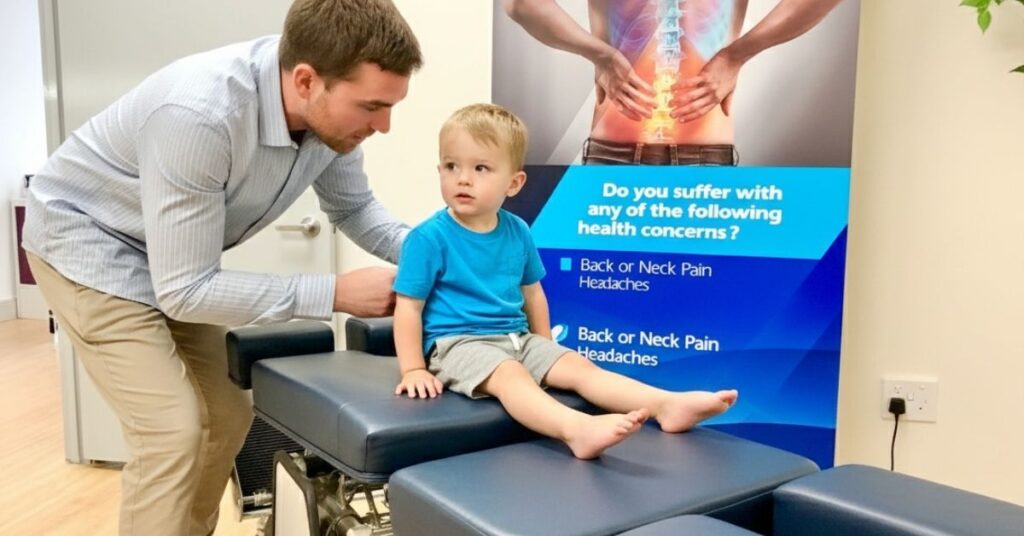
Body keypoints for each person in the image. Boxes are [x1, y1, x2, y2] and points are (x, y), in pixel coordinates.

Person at [22, 0, 421, 533]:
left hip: (166, 261)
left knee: (228, 414)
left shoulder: (334, 127)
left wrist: (440, 253)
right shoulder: (201, 114)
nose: (384, 126)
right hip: (85, 244)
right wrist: (335, 292)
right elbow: (185, 290)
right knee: (171, 430)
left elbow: (354, 209)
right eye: (372, 106)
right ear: (306, 81)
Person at [392, 103, 738, 459]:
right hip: (459, 343)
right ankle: (577, 430)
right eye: (451, 166)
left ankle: (666, 405)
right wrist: (414, 368)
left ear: (514, 183)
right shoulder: (428, 238)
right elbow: (408, 307)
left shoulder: (518, 231)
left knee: (579, 367)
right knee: (511, 376)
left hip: (518, 338)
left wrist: (545, 348)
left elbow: (532, 293)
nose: (462, 178)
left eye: (480, 168)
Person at [503, 0, 844, 165]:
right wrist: (736, 55)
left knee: (607, 292)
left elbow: (521, 4)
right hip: (704, 147)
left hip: (616, 145)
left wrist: (601, 55)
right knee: (702, 301)